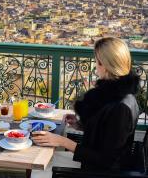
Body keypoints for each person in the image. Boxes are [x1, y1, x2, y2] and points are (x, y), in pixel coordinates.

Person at [31, 37, 140, 176]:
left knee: (39, 169)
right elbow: (106, 132)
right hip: (92, 165)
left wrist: (62, 141)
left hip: (98, 172)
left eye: (97, 61)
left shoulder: (120, 107)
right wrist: (79, 125)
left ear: (104, 65)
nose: (95, 66)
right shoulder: (118, 95)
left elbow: (107, 160)